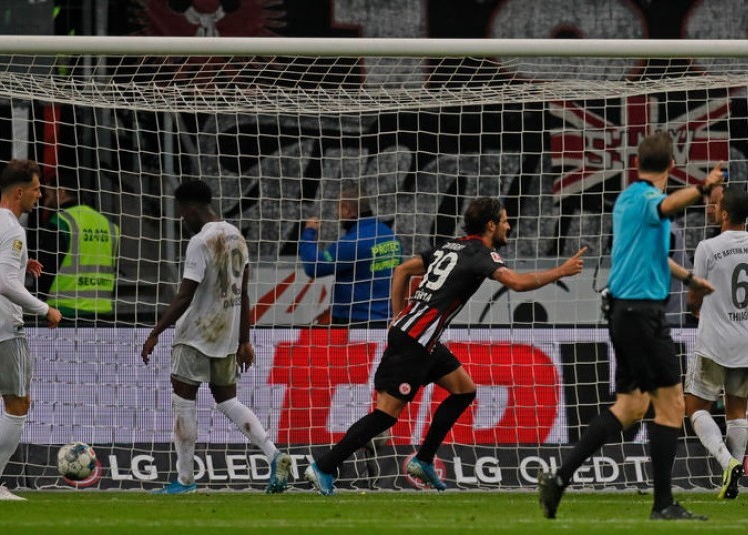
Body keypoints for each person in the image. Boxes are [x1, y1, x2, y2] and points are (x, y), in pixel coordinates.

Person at [304, 197, 586, 495]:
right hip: (414, 342)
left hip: (423, 339)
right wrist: (561, 271)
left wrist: (399, 315)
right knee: (385, 414)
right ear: (490, 225)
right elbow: (516, 283)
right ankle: (324, 466)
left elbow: (402, 271)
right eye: (504, 220)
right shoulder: (481, 254)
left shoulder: (451, 245)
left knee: (464, 389)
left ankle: (423, 460)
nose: (508, 226)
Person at [538, 131, 723, 521]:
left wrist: (689, 278)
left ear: (636, 163)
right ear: (671, 167)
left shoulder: (626, 200)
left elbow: (652, 255)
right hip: (641, 315)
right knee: (672, 404)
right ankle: (663, 505)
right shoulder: (647, 199)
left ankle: (559, 478)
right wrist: (703, 186)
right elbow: (668, 204)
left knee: (630, 406)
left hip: (626, 313)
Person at [141, 179, 291, 494]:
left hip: (195, 335)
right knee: (229, 400)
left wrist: (155, 332)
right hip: (226, 336)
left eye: (182, 212)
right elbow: (245, 293)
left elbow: (184, 296)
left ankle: (184, 481)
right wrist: (244, 340)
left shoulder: (200, 241)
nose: (182, 218)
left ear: (191, 208)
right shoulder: (237, 236)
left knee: (184, 403)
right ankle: (273, 454)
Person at [685, 186, 748, 500]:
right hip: (747, 342)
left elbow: (695, 294)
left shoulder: (707, 247)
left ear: (725, 213)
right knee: (737, 411)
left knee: (694, 407)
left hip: (714, 342)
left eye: (716, 205)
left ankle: (728, 462)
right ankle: (735, 480)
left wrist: (695, 307)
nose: (712, 208)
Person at [0, 159, 62, 500]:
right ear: (19, 192)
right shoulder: (14, 230)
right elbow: (4, 285)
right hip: (2, 325)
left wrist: (20, 261)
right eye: (35, 189)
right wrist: (46, 309)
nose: (40, 195)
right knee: (18, 403)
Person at [298, 185, 402, 325]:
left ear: (347, 209)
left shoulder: (352, 242)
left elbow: (313, 267)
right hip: (386, 320)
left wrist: (309, 232)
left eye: (338, 207)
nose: (337, 213)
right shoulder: (390, 236)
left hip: (355, 322)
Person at [34, 177, 120, 319]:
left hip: (64, 311)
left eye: (48, 194)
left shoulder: (60, 222)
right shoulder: (110, 226)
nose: (44, 199)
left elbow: (45, 270)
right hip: (103, 311)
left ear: (61, 192)